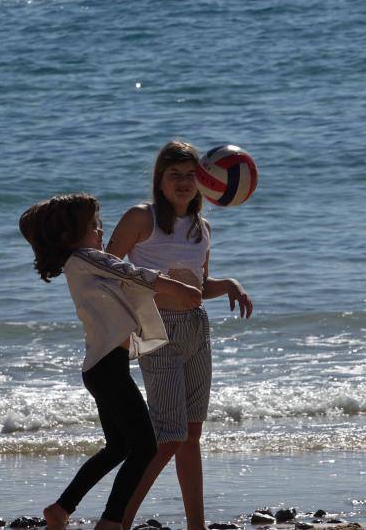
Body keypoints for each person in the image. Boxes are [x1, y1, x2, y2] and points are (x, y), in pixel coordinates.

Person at [18, 193, 202, 530]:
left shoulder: (82, 262)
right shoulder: (86, 258)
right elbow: (130, 272)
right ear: (68, 236)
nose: (101, 232)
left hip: (103, 368)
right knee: (144, 447)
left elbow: (126, 283)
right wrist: (176, 288)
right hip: (106, 370)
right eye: (93, 227)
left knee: (119, 446)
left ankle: (60, 509)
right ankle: (112, 521)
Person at [105, 140, 254, 530]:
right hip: (156, 331)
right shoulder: (142, 218)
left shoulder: (202, 228)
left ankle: (196, 526)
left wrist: (231, 285)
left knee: (190, 435)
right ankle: (118, 520)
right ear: (160, 180)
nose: (184, 183)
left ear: (205, 181)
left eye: (191, 175)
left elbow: (199, 286)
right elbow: (105, 271)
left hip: (196, 330)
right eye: (175, 175)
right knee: (167, 437)